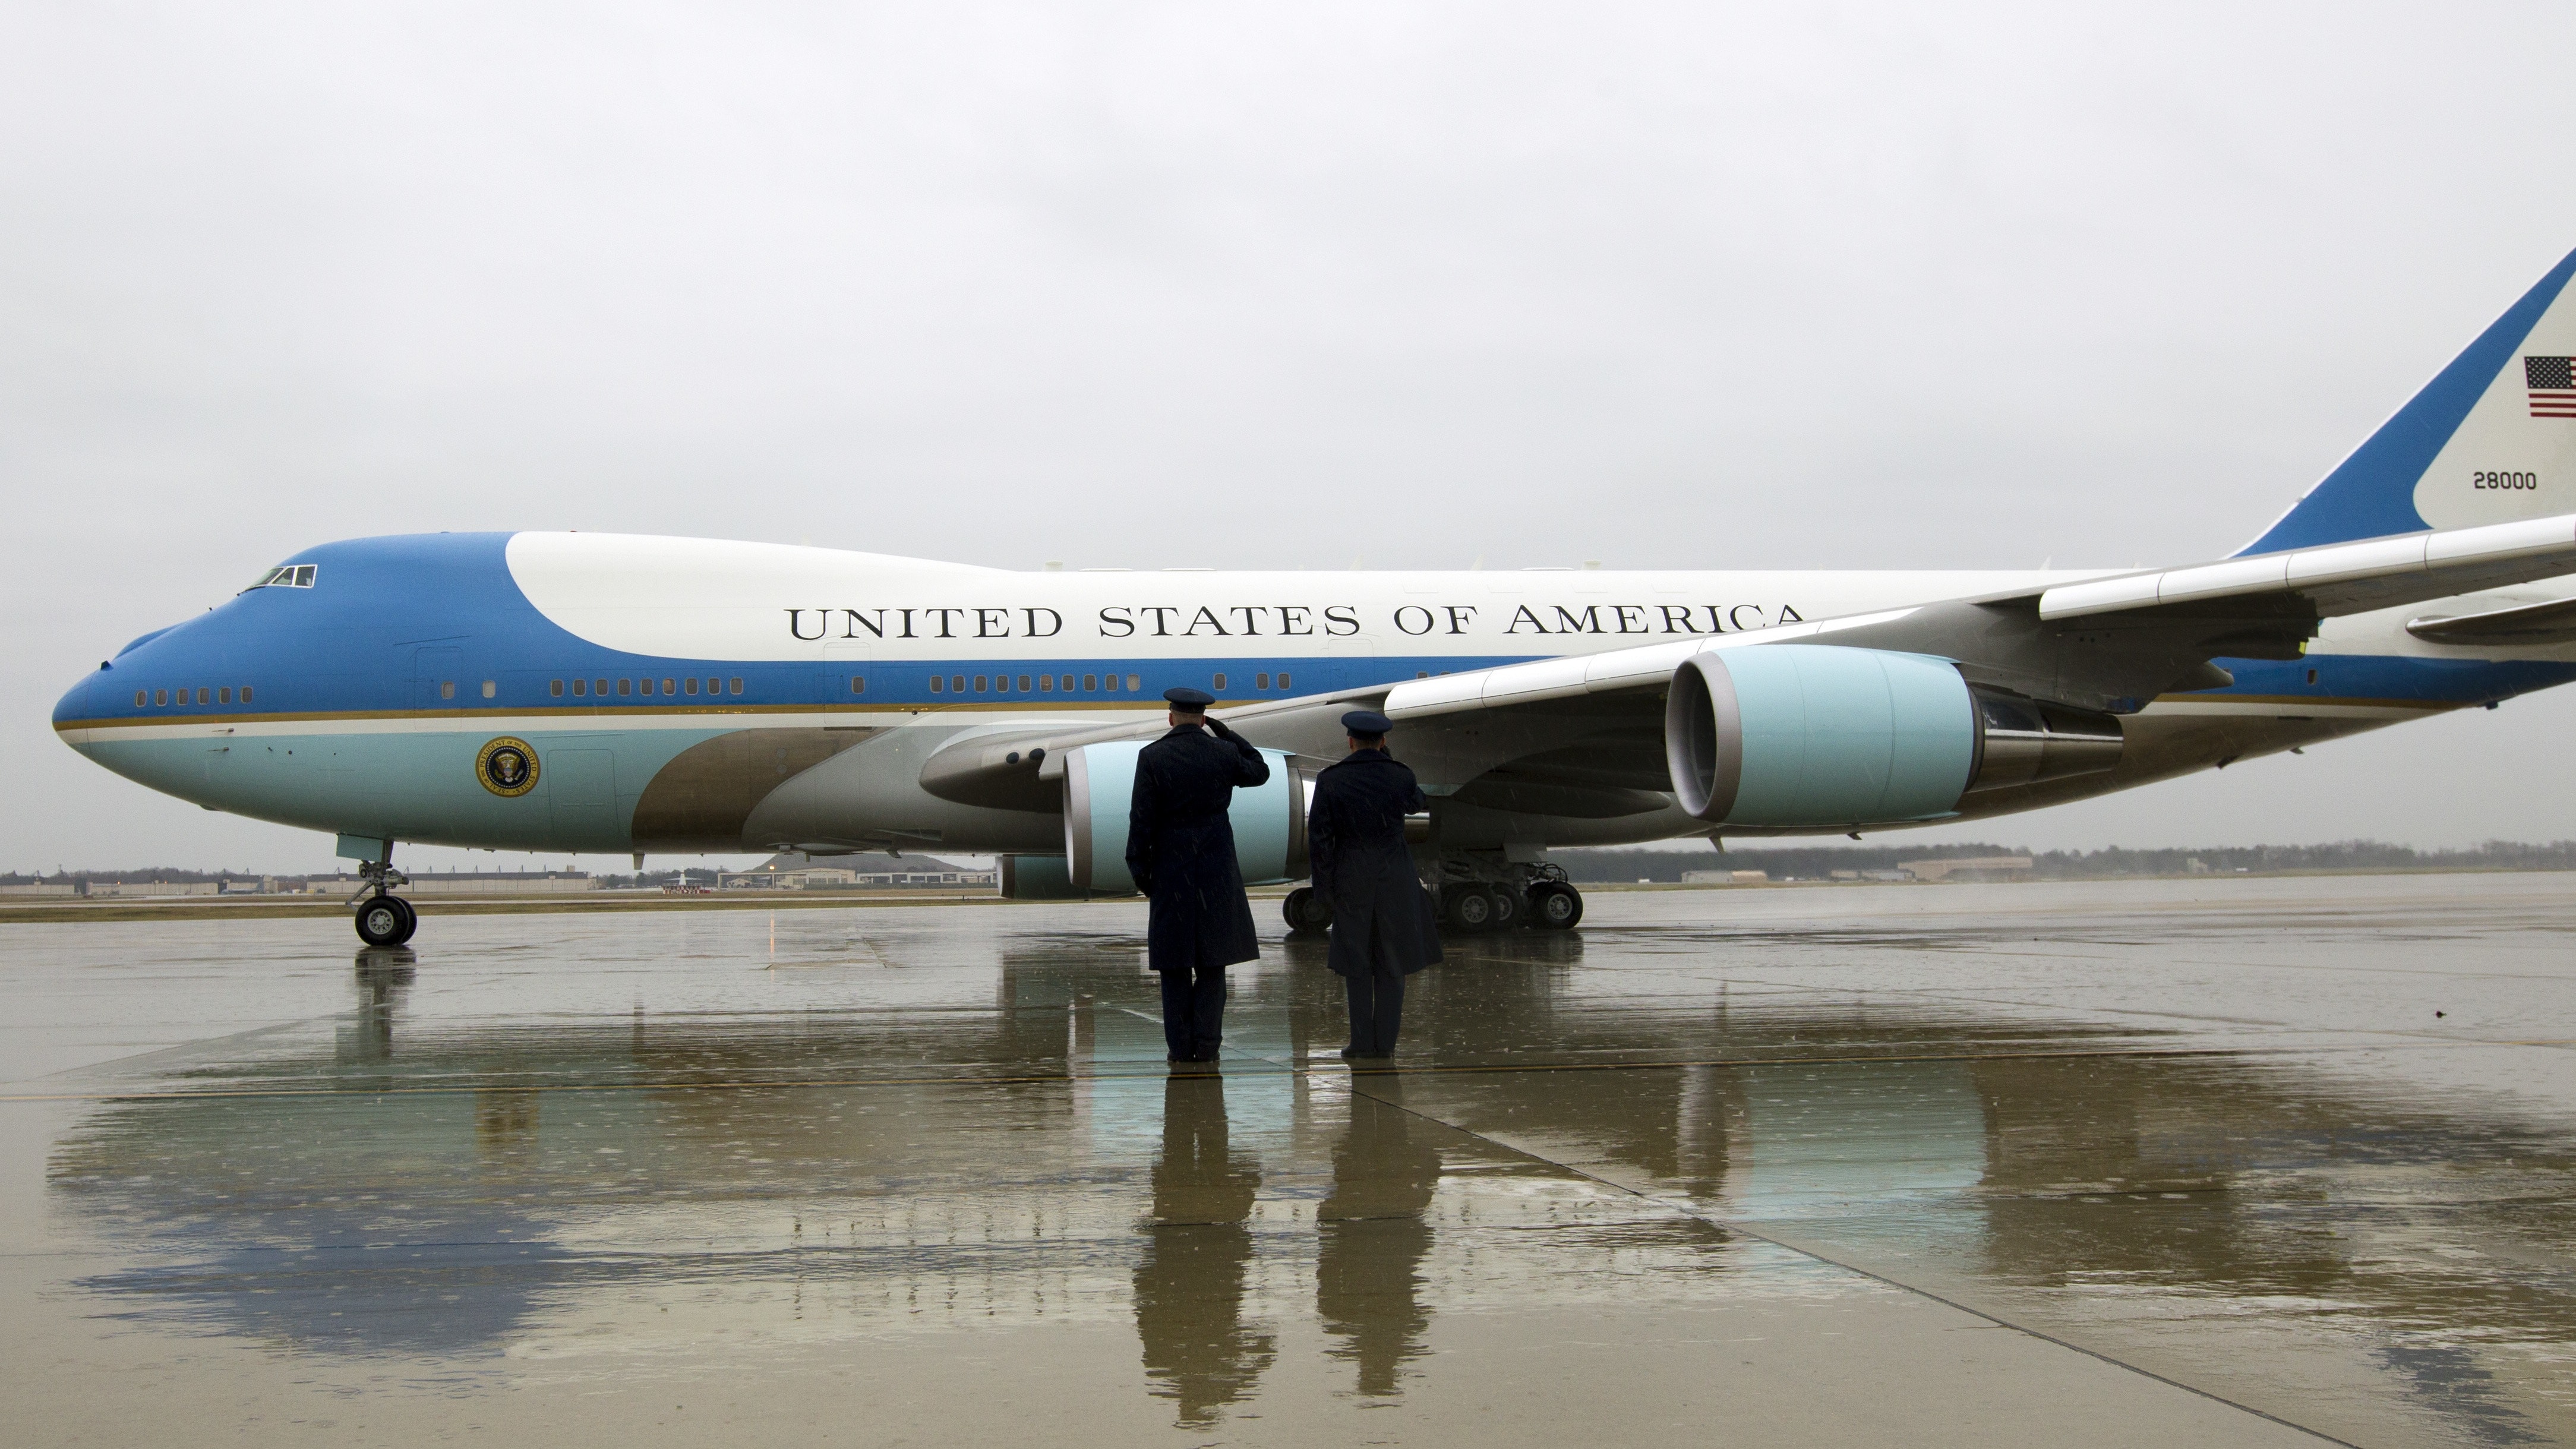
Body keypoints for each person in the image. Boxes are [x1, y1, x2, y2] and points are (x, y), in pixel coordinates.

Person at [1128, 686, 1271, 1063]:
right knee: (1212, 965)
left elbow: (1140, 820)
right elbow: (1259, 770)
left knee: (1174, 968)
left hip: (1171, 871)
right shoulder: (1223, 752)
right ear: (1204, 719)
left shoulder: (1152, 756)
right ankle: (1207, 1047)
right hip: (1216, 871)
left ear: (1171, 717)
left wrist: (1142, 872)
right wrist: (1228, 734)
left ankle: (1179, 1049)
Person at [1306, 709, 1441, 1059]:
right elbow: (1418, 802)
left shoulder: (1331, 779)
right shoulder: (1399, 776)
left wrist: (1323, 890)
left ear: (1350, 740)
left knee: (1358, 963)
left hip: (1352, 876)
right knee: (1393, 962)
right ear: (1383, 742)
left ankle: (1362, 1041)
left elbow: (1319, 840)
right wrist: (1391, 762)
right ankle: (1387, 1044)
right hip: (1395, 877)